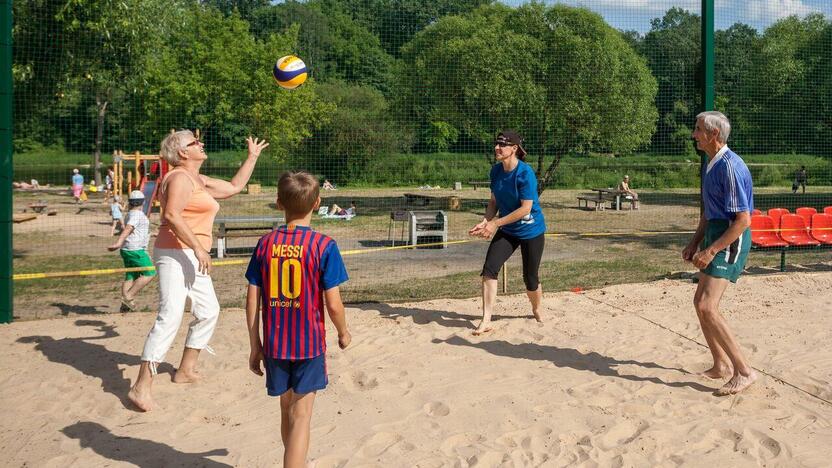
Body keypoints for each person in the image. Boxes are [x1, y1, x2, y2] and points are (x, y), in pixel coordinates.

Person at [128, 131, 269, 412]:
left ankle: (185, 370)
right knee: (170, 315)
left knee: (208, 310)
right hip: (175, 252)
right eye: (194, 142)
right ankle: (140, 386)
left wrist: (252, 157)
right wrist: (200, 248)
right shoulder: (179, 177)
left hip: (192, 253)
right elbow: (171, 215)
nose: (201, 144)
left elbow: (233, 187)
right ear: (182, 153)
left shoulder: (198, 179)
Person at [245, 171, 351, 467]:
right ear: (317, 203)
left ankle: (296, 459)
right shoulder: (324, 246)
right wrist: (344, 331)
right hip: (308, 345)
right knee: (302, 415)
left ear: (279, 203)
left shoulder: (265, 245)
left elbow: (252, 300)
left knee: (286, 408)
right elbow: (333, 303)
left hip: (276, 344)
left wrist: (255, 344)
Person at [684, 111, 757, 396]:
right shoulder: (711, 163)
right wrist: (695, 243)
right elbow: (708, 213)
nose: (694, 134)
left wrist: (713, 250)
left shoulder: (731, 166)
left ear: (714, 134)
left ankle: (744, 371)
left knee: (706, 306)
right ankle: (721, 366)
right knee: (699, 302)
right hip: (716, 232)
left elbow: (743, 220)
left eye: (698, 129)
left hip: (731, 238)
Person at [468, 130, 546, 335]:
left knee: (530, 279)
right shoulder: (495, 171)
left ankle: (537, 308)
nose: (497, 148)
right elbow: (494, 202)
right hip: (509, 229)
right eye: (496, 144)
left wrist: (495, 224)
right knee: (489, 269)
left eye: (502, 145)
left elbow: (525, 209)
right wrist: (486, 221)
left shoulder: (525, 173)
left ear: (514, 149)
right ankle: (486, 320)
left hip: (531, 230)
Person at [108, 191, 156, 311]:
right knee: (150, 272)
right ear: (143, 202)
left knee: (131, 276)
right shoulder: (137, 215)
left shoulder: (130, 214)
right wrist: (118, 242)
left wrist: (151, 234)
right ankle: (128, 297)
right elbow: (129, 228)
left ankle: (125, 306)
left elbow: (136, 230)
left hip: (127, 249)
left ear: (129, 202)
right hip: (135, 250)